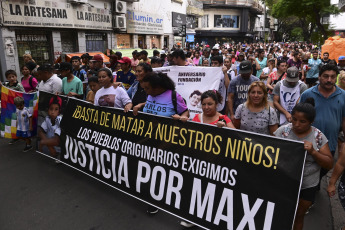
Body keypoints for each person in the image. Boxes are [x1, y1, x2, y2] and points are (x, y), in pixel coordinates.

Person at [274, 98, 333, 230]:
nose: (296, 124)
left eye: (302, 121)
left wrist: (313, 152)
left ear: (311, 122)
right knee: (281, 213)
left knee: (298, 215)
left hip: (307, 185)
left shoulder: (318, 136)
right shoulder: (283, 132)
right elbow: (270, 152)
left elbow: (329, 163)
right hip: (284, 182)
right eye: (294, 119)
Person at [39, 95, 63, 162]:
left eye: (56, 109)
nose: (53, 112)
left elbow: (57, 140)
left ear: (59, 111)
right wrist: (49, 146)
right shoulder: (47, 119)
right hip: (50, 145)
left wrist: (43, 142)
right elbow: (40, 131)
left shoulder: (60, 120)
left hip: (59, 148)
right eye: (51, 109)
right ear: (48, 109)